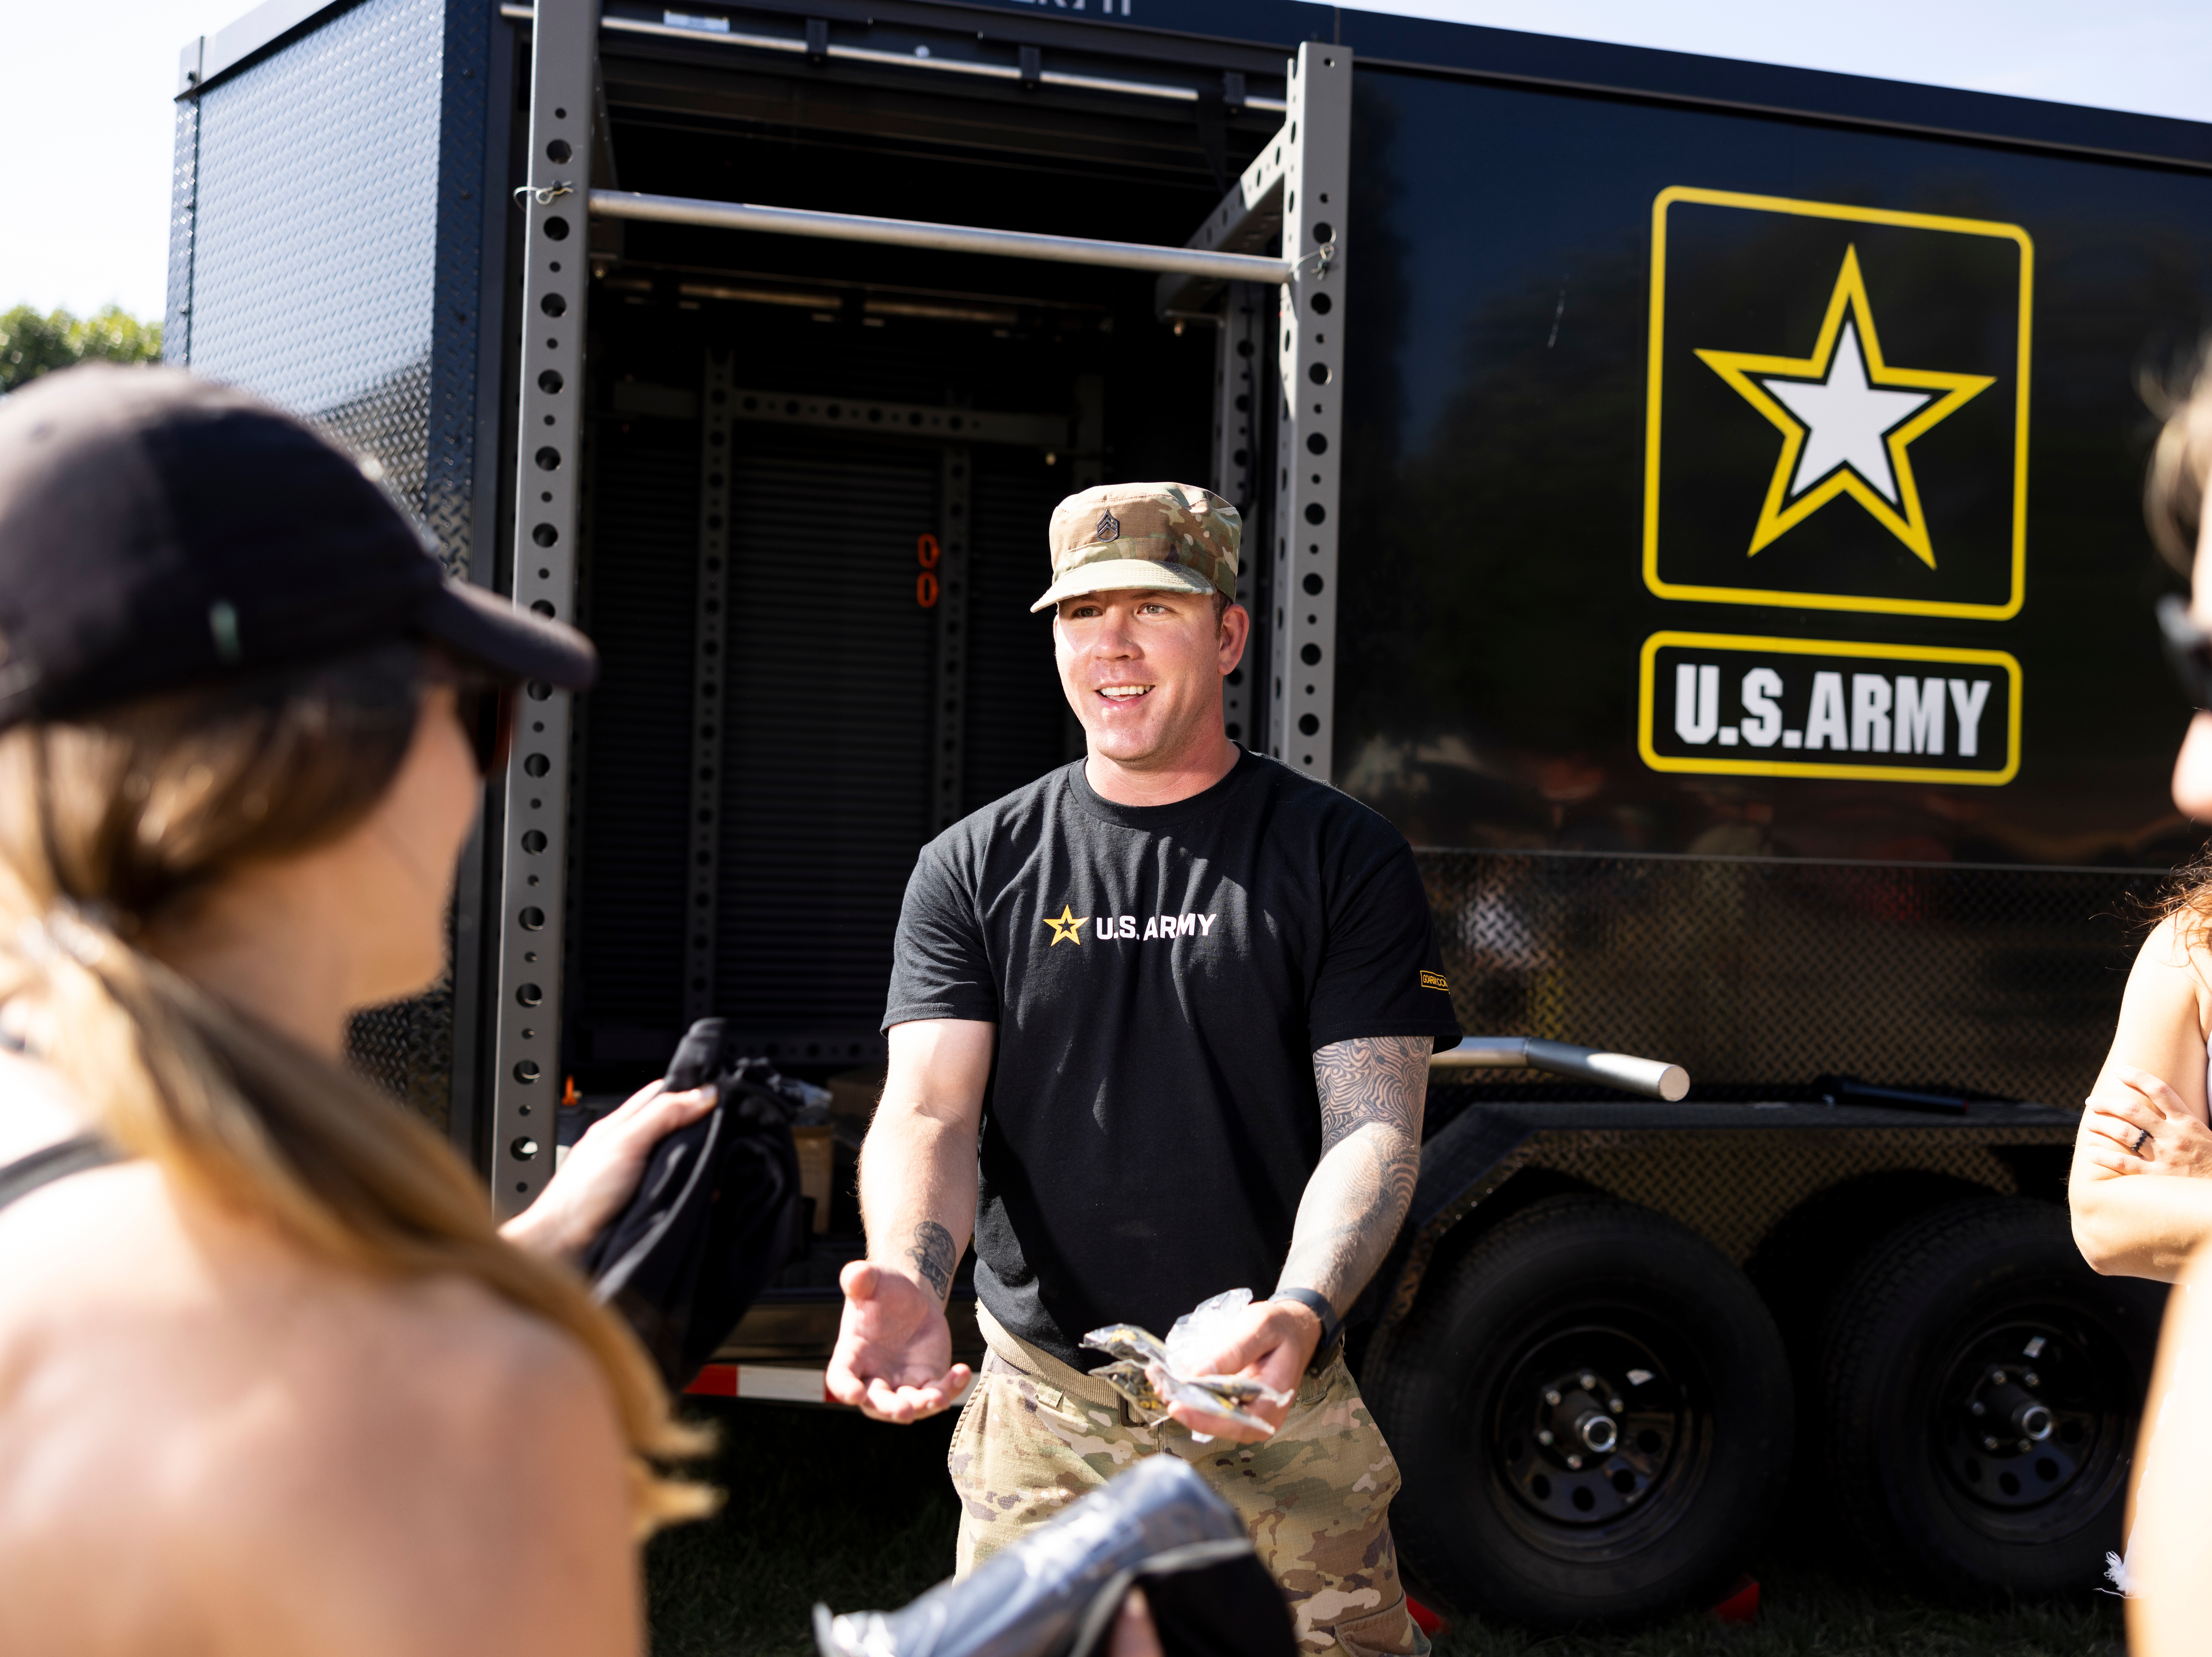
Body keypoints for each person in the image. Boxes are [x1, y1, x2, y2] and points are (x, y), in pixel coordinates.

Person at [0, 365, 723, 1655]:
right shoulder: (459, 1400)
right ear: (339, 746)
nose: (483, 779)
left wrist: (550, 1226)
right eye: (482, 711)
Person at [825, 482, 1464, 1656]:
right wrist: (912, 1272)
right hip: (1048, 1407)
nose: (1109, 646)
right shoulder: (973, 866)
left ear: (1226, 634)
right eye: (1080, 615)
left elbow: (1374, 1124)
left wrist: (1305, 1307)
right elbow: (928, 1110)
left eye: (1151, 610)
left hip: (1268, 1395)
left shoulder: (1340, 853)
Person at [2067, 359, 2212, 1642]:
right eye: (2201, 668)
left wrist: (2203, 1198)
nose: (2189, 775)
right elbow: (2103, 1214)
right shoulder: (2192, 952)